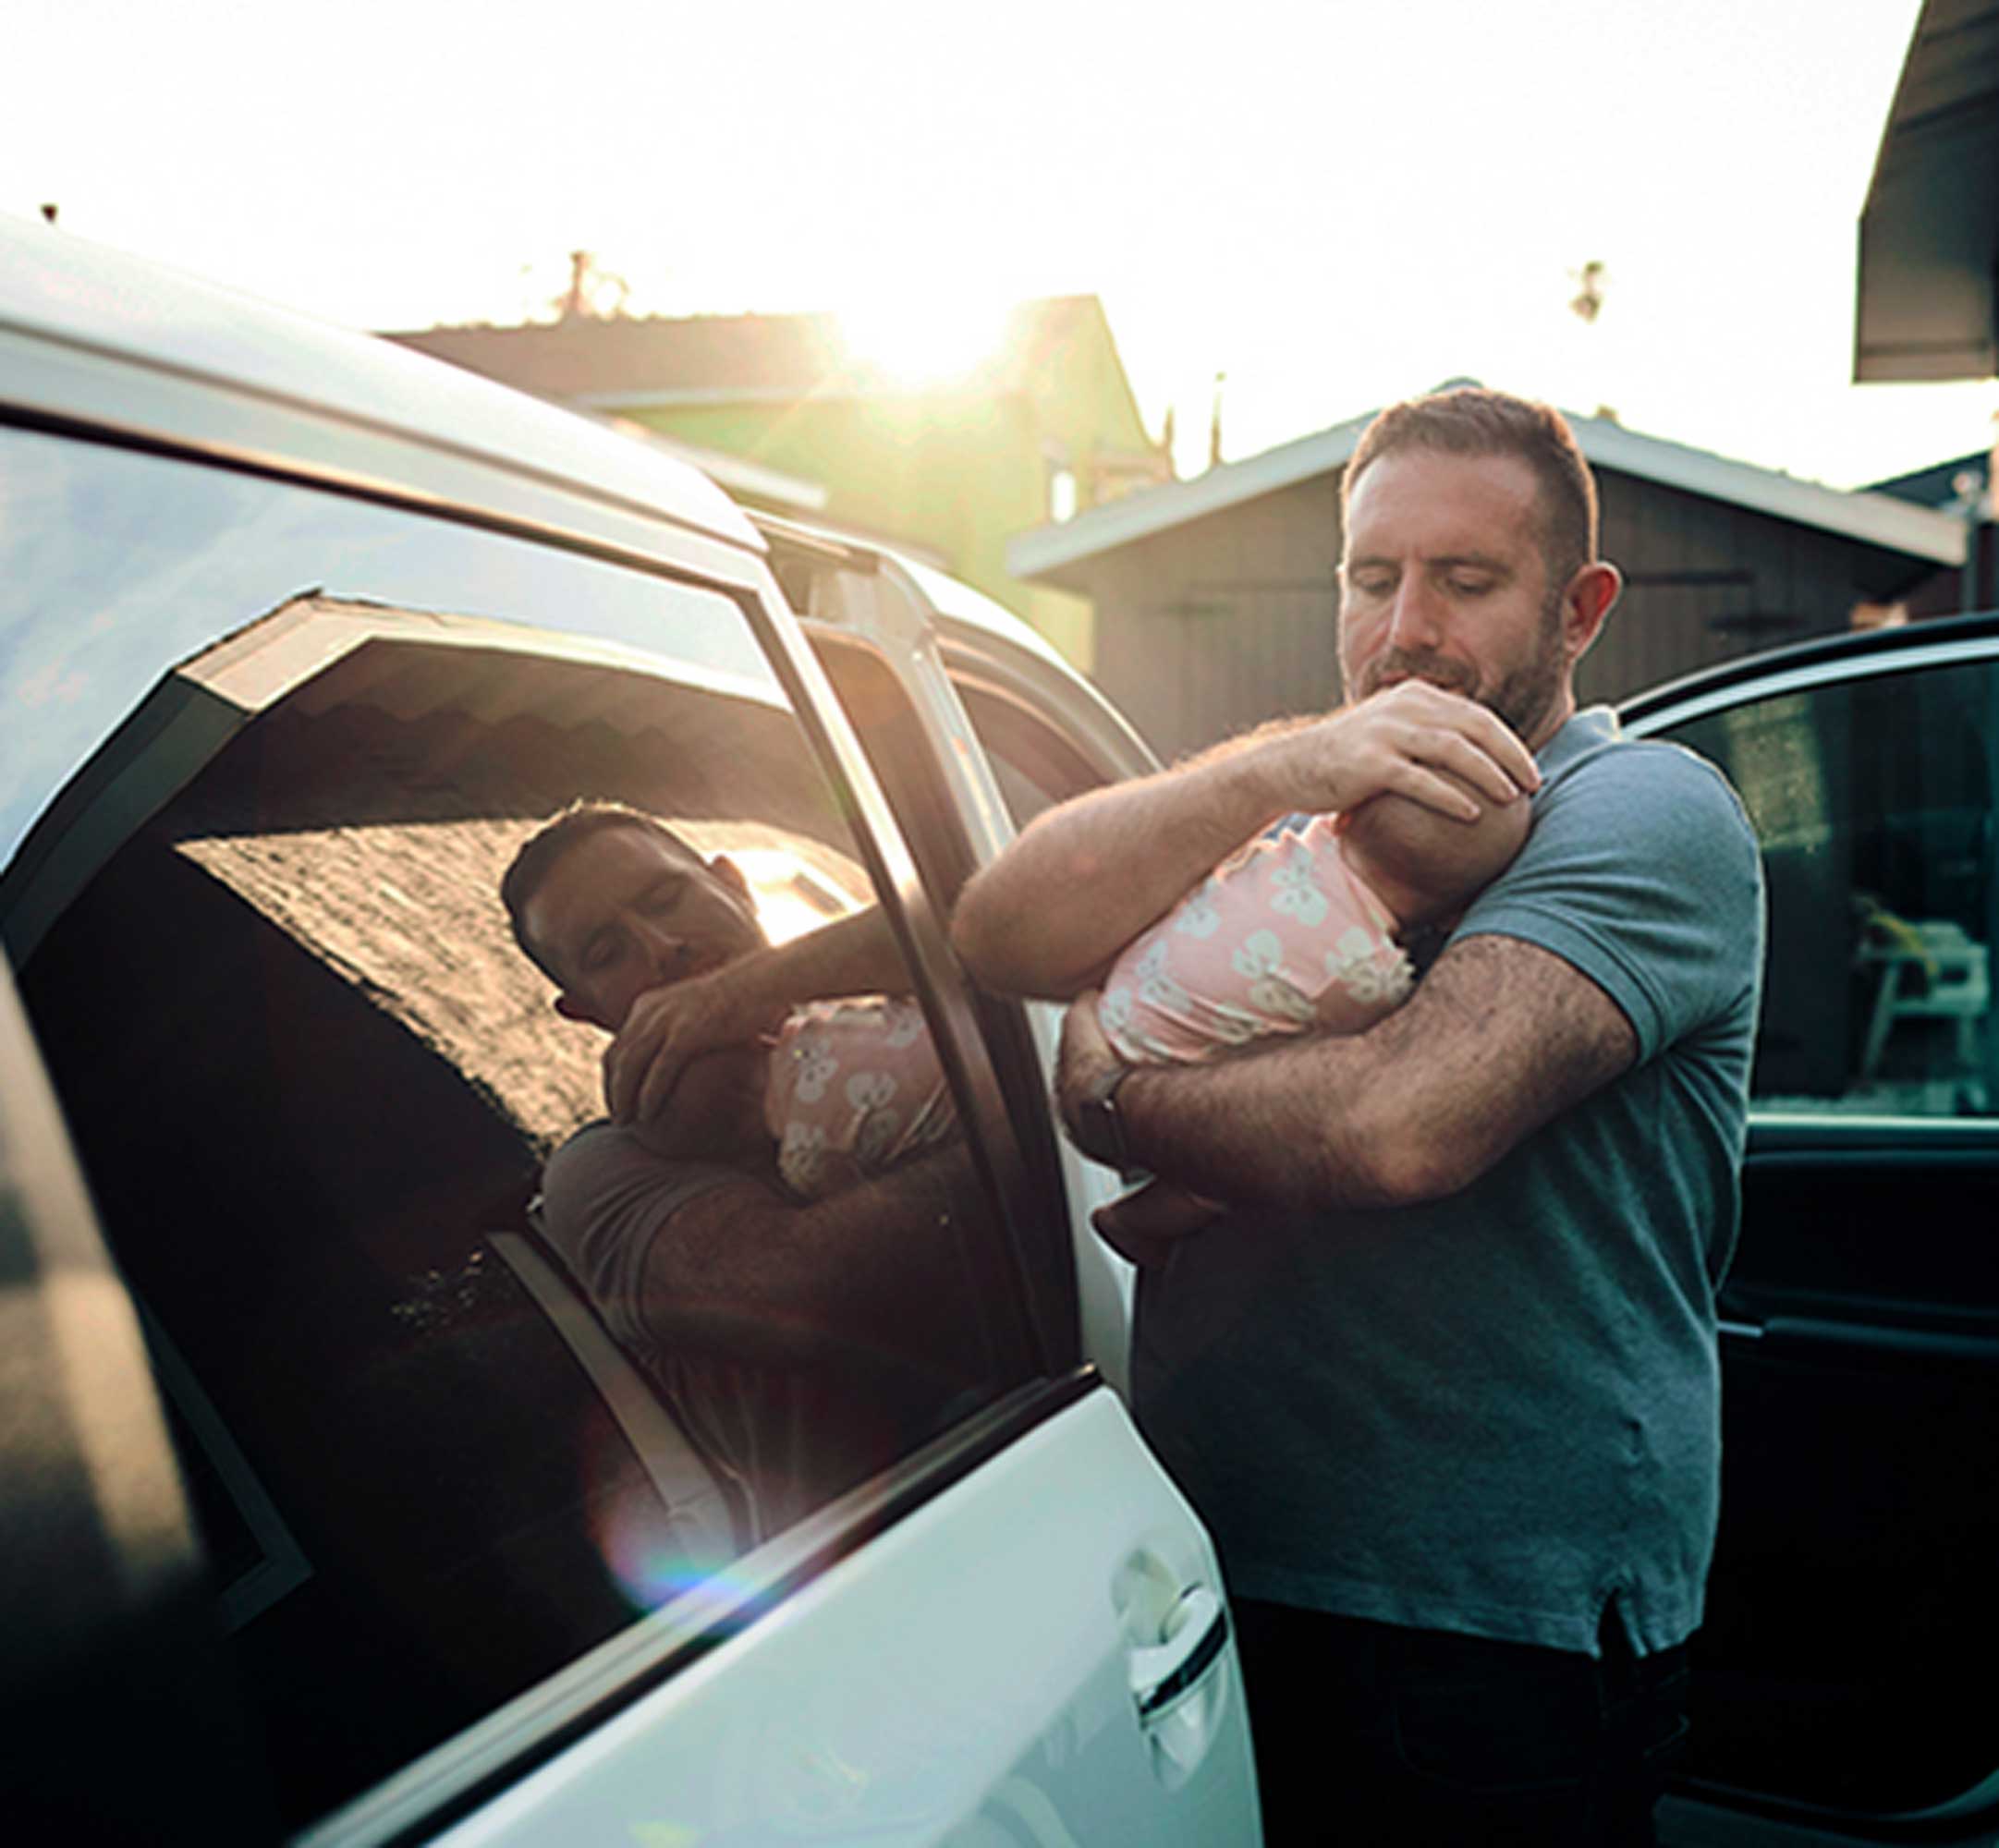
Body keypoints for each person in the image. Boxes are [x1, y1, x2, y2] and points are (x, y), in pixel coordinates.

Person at [951, 386, 1764, 1845]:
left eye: (1464, 581)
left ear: (1576, 610)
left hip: (1482, 1639)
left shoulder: (1644, 813)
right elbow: (998, 932)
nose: (1405, 629)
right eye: (1370, 576)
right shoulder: (1294, 814)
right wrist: (1282, 769)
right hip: (1199, 1570)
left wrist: (1117, 1094)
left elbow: (1401, 1127)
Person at [500, 802, 985, 1547]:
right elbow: (794, 1291)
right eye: (607, 952)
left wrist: (744, 989)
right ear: (585, 1011)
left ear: (732, 883)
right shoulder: (602, 1167)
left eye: (666, 899)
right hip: (912, 1545)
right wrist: (1048, 1115)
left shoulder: (876, 996)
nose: (662, 947)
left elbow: (1017, 912)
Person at [1091, 782, 1528, 1258]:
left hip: (1129, 993)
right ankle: (1134, 1221)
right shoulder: (1367, 972)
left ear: (1343, 819)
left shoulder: (1289, 846)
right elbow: (1366, 1061)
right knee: (1267, 1133)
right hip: (1155, 1062)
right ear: (1453, 916)